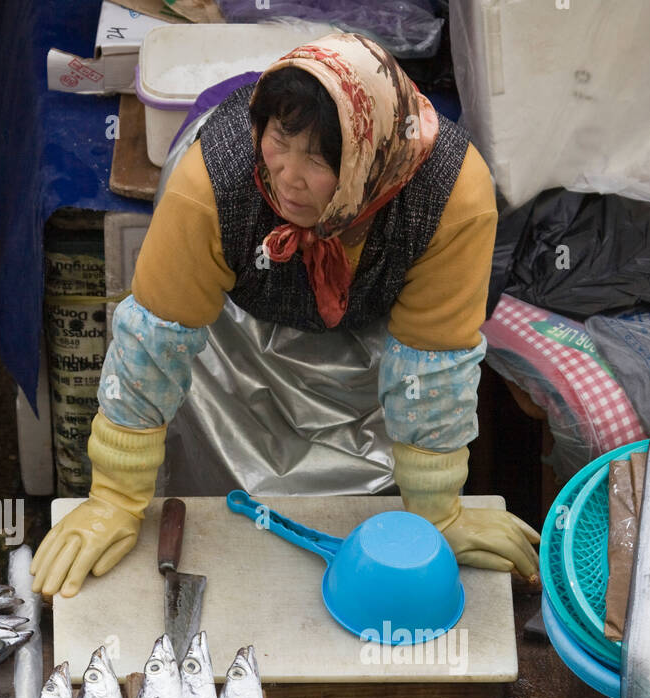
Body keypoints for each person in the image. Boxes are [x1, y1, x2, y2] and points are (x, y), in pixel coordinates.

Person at [31, 31, 540, 599]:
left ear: (372, 159)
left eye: (320, 160)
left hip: (372, 319)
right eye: (280, 139)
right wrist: (115, 499)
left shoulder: (450, 197)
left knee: (368, 514)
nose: (289, 177)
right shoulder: (214, 182)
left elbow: (430, 366)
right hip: (233, 307)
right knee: (221, 497)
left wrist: (437, 514)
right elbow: (154, 345)